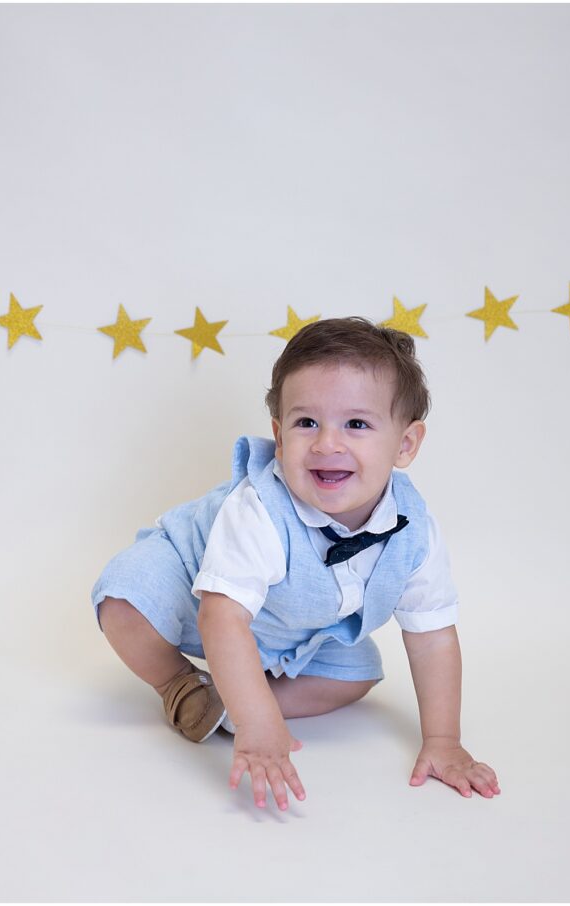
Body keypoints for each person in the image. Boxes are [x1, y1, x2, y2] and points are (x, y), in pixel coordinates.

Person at [92, 317, 499, 810]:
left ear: (406, 444)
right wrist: (260, 727)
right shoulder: (260, 509)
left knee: (358, 676)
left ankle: (228, 699)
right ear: (279, 437)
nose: (327, 443)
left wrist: (443, 741)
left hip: (284, 627)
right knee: (122, 600)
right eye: (306, 422)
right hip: (197, 588)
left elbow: (433, 636)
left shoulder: (414, 530)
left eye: (356, 424)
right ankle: (181, 684)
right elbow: (220, 615)